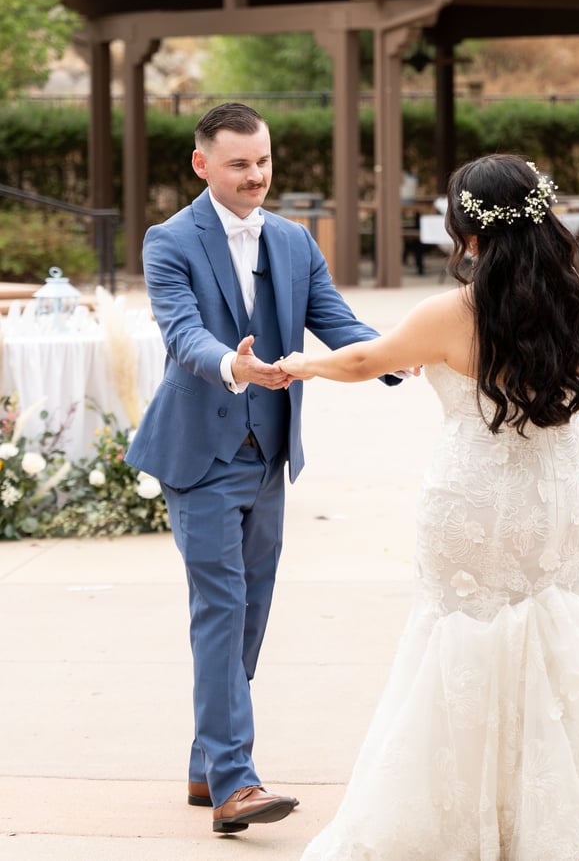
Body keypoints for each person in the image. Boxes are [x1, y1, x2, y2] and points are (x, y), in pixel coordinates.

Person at [281, 154, 579, 861]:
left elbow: (361, 362)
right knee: (552, 639)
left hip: (477, 501)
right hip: (563, 495)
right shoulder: (570, 297)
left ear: (465, 231)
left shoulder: (447, 313)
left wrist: (296, 364)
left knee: (457, 640)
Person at [125, 101, 401, 835]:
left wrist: (413, 359)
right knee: (219, 607)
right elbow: (183, 333)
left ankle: (204, 763)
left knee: (248, 615)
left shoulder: (293, 240)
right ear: (202, 164)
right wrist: (234, 364)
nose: (257, 176)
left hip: (269, 453)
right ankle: (235, 784)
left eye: (264, 161)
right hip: (199, 454)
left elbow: (339, 323)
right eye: (240, 164)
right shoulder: (169, 240)